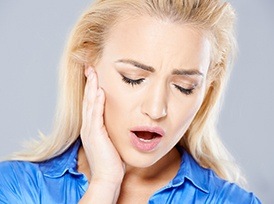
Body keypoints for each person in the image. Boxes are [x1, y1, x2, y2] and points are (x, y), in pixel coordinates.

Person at [0, 0, 261, 203]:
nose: (156, 110)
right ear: (88, 63)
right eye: (133, 79)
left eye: (184, 87)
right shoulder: (16, 189)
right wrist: (104, 185)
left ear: (206, 90)